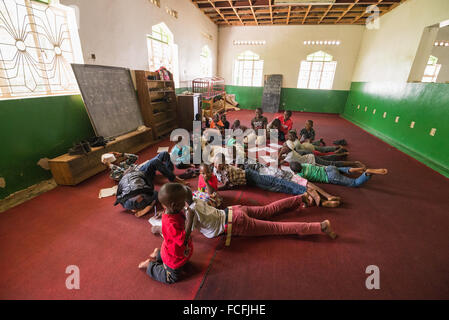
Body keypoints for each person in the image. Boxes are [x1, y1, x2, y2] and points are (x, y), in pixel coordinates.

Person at [153, 187, 337, 243]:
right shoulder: (194, 198)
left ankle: (320, 226)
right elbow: (183, 194)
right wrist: (171, 209)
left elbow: (183, 238)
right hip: (235, 210)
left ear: (175, 205)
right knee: (269, 209)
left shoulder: (190, 214)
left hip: (236, 222)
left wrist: (160, 228)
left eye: (166, 207)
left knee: (277, 228)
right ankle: (301, 197)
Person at [138, 183, 194, 284]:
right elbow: (184, 239)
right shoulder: (169, 224)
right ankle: (150, 265)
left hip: (177, 250)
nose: (185, 204)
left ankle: (157, 254)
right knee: (171, 278)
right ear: (174, 205)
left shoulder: (172, 210)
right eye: (183, 202)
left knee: (183, 260)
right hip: (173, 257)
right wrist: (190, 220)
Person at [114, 152, 190, 217]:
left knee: (163, 154)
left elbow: (118, 196)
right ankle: (148, 206)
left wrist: (121, 154)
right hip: (139, 180)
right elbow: (150, 189)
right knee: (157, 194)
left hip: (138, 172)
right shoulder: (115, 170)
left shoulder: (125, 167)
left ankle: (169, 174)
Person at [213, 153, 310, 198]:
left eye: (220, 163)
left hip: (250, 175)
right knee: (275, 188)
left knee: (276, 181)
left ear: (224, 163)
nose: (217, 165)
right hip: (249, 182)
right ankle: (301, 193)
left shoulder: (227, 170)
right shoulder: (215, 169)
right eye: (216, 163)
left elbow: (226, 185)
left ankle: (305, 190)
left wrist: (216, 188)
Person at [289, 161, 388, 188]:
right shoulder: (304, 164)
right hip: (329, 168)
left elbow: (301, 182)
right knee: (344, 170)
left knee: (354, 183)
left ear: (295, 171)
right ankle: (358, 169)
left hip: (329, 177)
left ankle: (367, 173)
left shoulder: (301, 175)